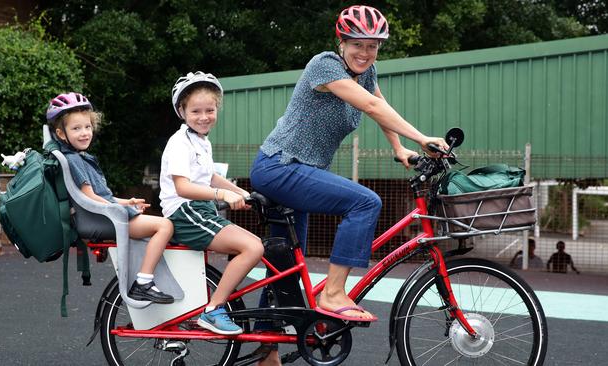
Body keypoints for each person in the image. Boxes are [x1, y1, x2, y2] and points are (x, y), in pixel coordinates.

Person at [249, 6, 448, 363]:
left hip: (294, 171)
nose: (365, 53)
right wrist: (422, 138)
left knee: (284, 268)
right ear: (340, 42)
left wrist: (400, 147)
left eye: (373, 46)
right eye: (357, 44)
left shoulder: (367, 71)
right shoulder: (324, 65)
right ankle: (334, 294)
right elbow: (371, 106)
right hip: (281, 167)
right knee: (365, 203)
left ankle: (268, 350)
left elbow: (379, 103)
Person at [46, 92, 175, 304]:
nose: (84, 133)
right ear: (61, 134)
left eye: (87, 127)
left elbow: (100, 196)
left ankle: (147, 275)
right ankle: (144, 282)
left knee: (160, 227)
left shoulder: (80, 157)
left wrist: (128, 202)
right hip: (104, 219)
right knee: (165, 226)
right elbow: (90, 198)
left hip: (104, 216)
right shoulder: (75, 160)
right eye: (76, 128)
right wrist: (121, 211)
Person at [160, 71, 264, 335]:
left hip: (199, 210)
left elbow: (211, 176)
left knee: (254, 245)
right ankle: (214, 309)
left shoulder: (200, 141)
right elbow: (182, 187)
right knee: (252, 248)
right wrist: (223, 196)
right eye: (196, 111)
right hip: (185, 212)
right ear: (181, 111)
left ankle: (214, 306)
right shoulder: (179, 143)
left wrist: (243, 193)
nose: (204, 117)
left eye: (210, 110)